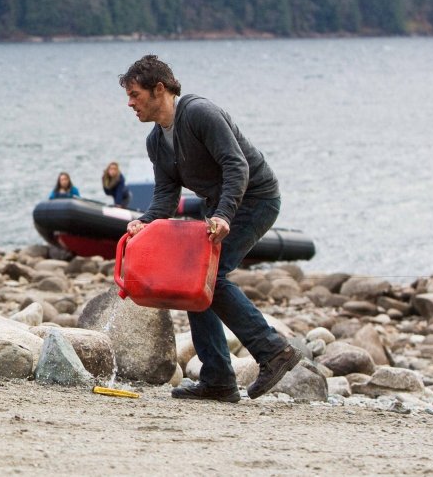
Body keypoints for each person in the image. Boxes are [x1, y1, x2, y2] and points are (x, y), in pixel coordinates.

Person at [119, 54, 300, 402]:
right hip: (218, 205)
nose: (130, 103)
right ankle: (218, 379)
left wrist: (224, 216)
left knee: (211, 279)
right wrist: (144, 222)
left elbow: (237, 166)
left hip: (255, 198)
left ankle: (273, 350)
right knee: (192, 282)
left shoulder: (199, 113)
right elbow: (166, 197)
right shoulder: (156, 141)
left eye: (135, 94)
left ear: (159, 89)